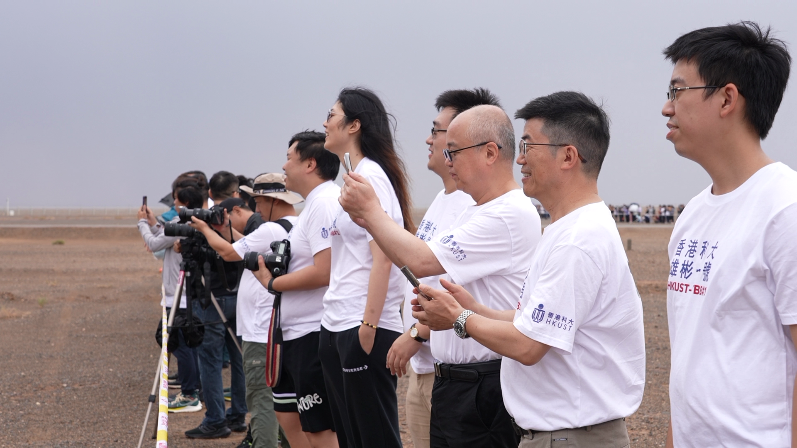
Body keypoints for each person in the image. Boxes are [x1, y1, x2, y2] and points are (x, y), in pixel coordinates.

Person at [411, 91, 645, 448]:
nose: (518, 159)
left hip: (571, 436)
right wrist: (475, 310)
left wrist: (459, 318)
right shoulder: (566, 229)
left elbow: (528, 346)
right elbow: (536, 322)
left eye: (528, 146)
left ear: (568, 156)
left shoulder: (577, 240)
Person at [340, 104, 539, 448]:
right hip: (456, 381)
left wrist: (371, 211)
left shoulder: (506, 213)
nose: (448, 160)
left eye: (454, 151)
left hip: (482, 383)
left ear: (490, 152)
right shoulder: (477, 209)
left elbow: (419, 260)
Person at [661, 22, 794, 447]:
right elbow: (688, 357)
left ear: (727, 98)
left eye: (676, 91)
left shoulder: (784, 209)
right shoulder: (693, 215)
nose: (667, 108)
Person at [384, 88, 499, 448]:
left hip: (455, 370)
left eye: (439, 132)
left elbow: (447, 283)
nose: (431, 140)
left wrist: (416, 334)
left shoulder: (474, 206)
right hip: (429, 367)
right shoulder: (443, 198)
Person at [318, 87, 413, 448]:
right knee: (352, 438)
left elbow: (384, 256)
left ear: (354, 125)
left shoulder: (370, 177)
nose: (325, 123)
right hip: (338, 322)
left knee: (374, 438)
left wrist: (369, 327)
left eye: (331, 115)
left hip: (362, 325)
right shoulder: (354, 175)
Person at [192, 173, 303, 447]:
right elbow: (248, 245)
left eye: (258, 202)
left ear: (270, 200)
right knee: (289, 400)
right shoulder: (297, 226)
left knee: (263, 400)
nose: (257, 209)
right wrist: (224, 231)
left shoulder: (270, 228)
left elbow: (230, 253)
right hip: (286, 328)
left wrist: (204, 229)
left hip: (261, 330)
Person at [250, 131, 342, 448]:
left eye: (289, 158)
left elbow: (325, 271)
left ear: (310, 163)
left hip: (313, 332)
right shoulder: (313, 206)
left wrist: (272, 283)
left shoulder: (325, 203)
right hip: (294, 333)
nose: (284, 166)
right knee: (293, 420)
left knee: (320, 429)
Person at [183, 170, 248, 439]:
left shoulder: (205, 221)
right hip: (239, 296)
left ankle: (215, 420)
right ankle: (238, 415)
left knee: (209, 361)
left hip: (211, 299)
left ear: (210, 194)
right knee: (239, 358)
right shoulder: (239, 218)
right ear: (236, 193)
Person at [137, 180, 204, 413]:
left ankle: (189, 393)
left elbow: (155, 242)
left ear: (184, 201)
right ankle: (193, 388)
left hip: (178, 295)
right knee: (188, 342)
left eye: (176, 198)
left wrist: (142, 224)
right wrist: (154, 222)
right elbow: (164, 235)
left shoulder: (181, 223)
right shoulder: (195, 221)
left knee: (175, 341)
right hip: (186, 293)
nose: (173, 202)